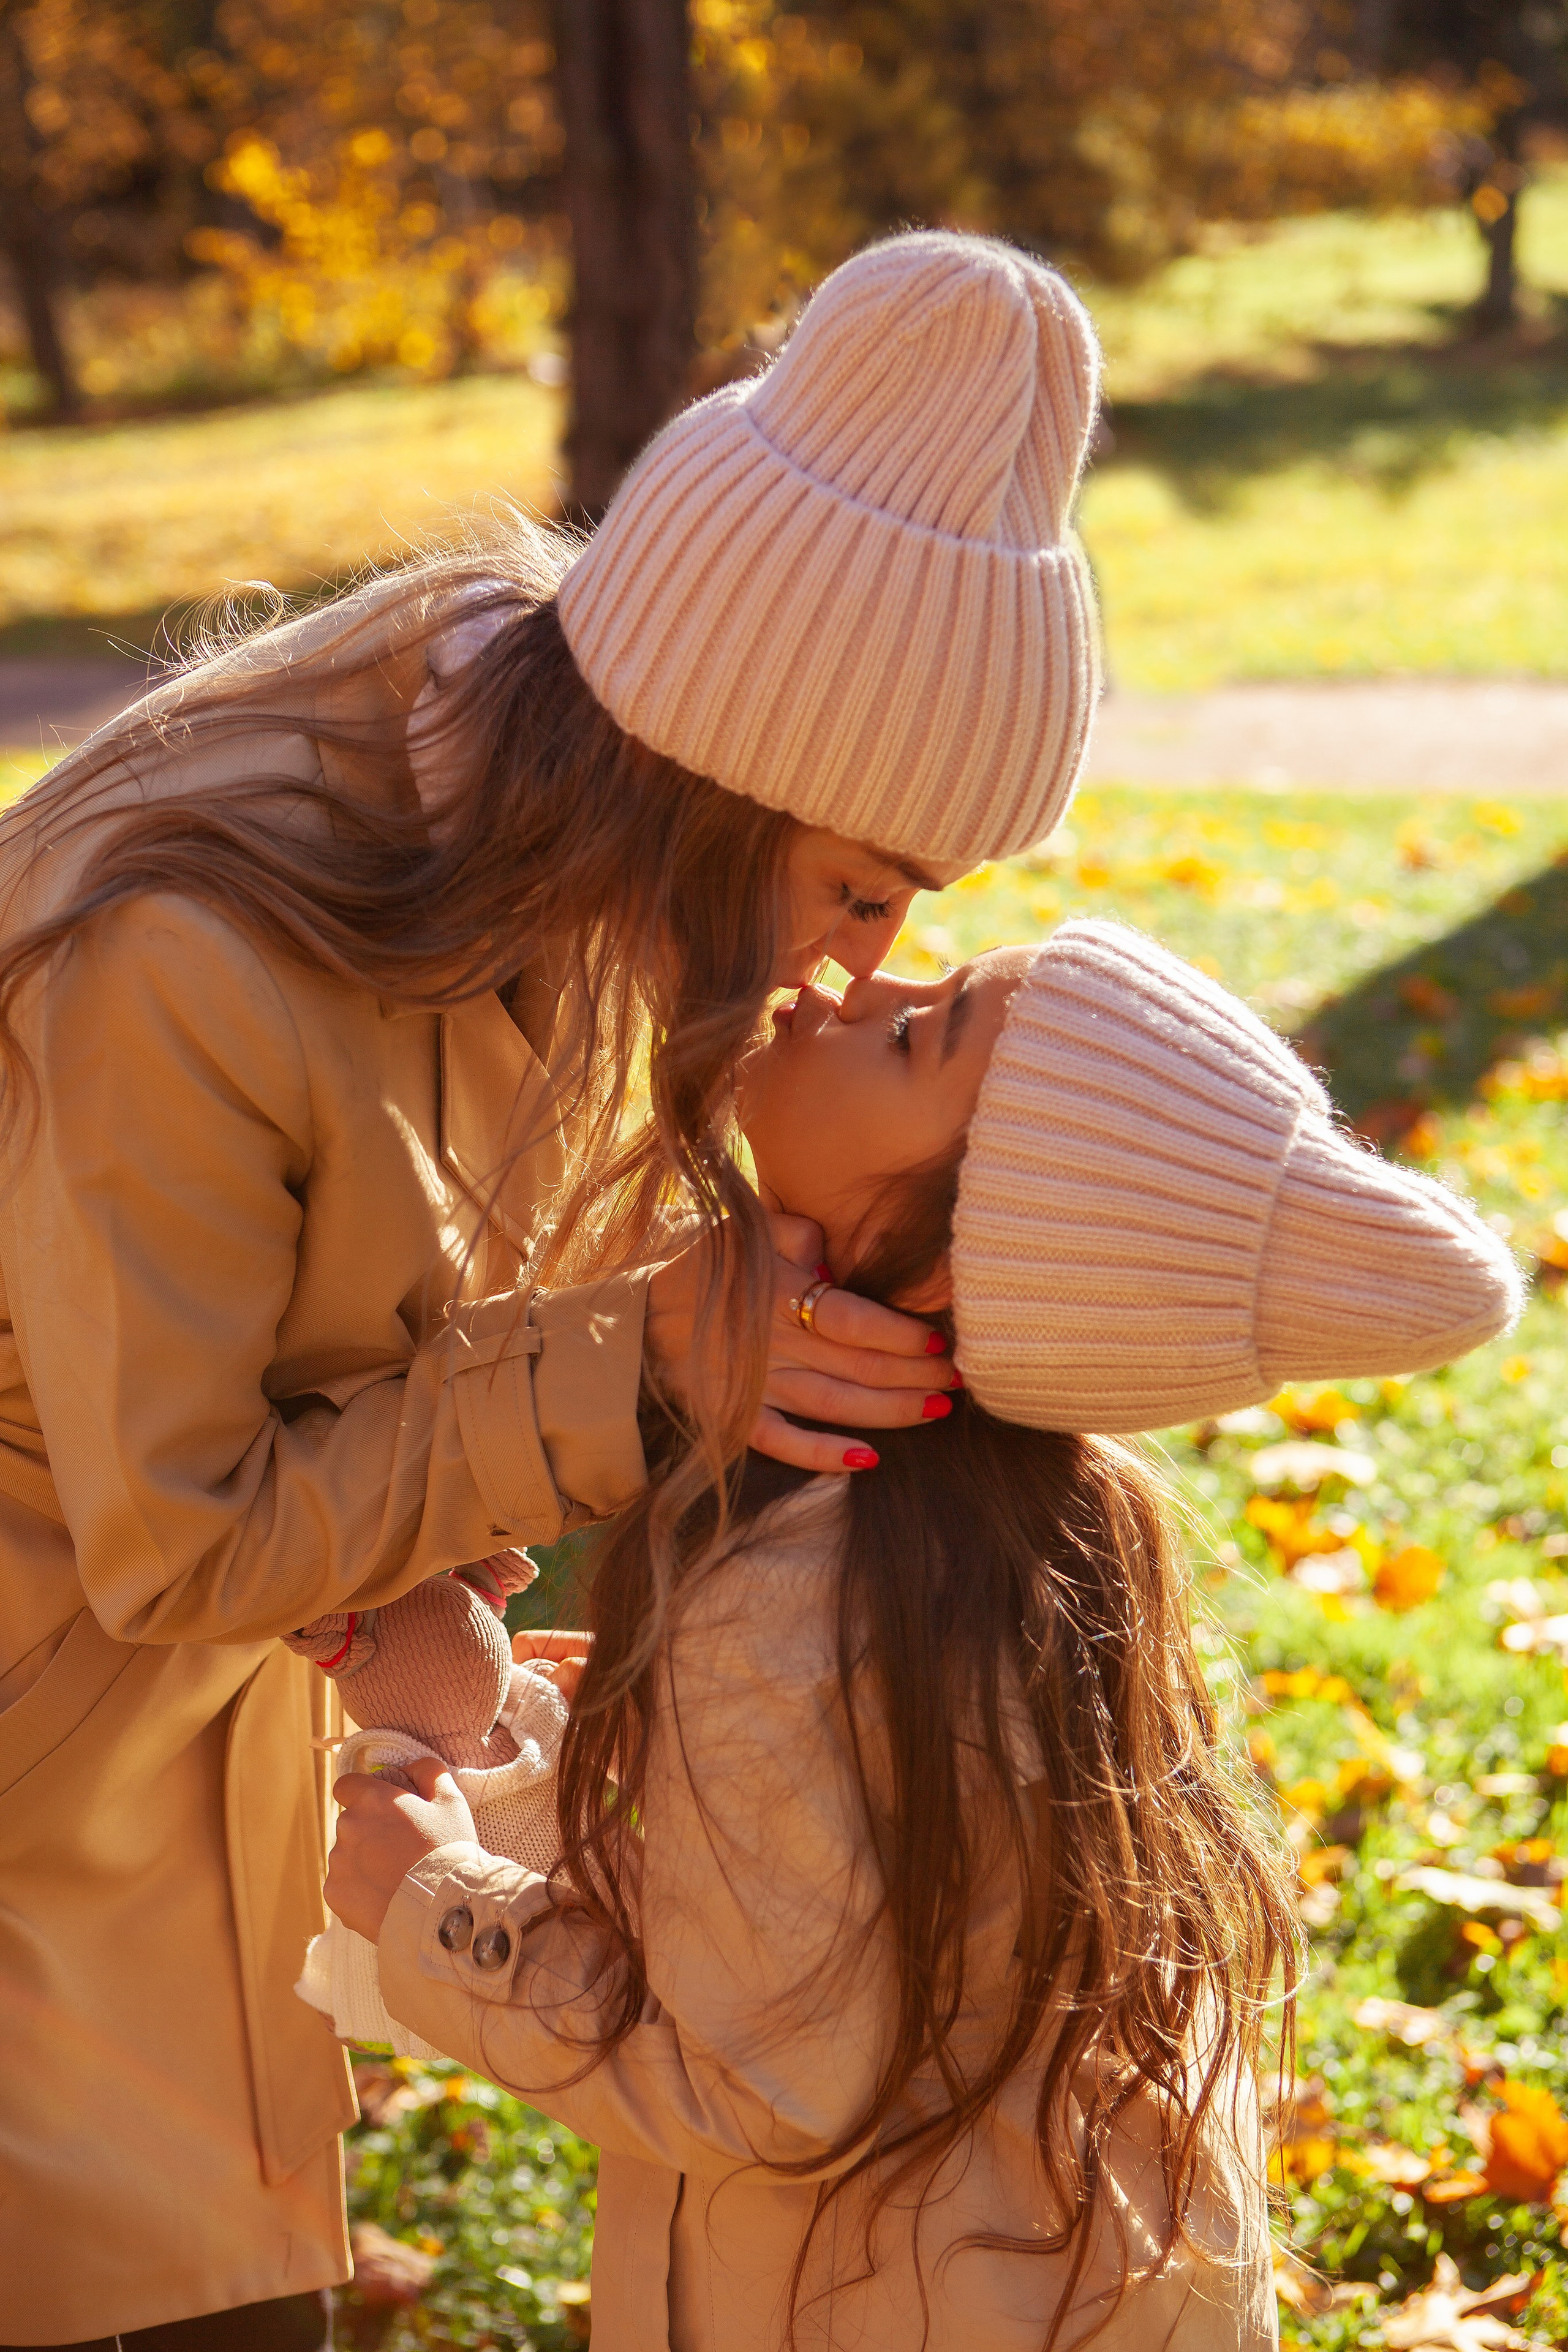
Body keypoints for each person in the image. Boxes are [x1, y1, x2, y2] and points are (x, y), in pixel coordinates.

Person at [0, 230, 1104, 2347]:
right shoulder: (190, 954)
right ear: (720, 773)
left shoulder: (556, 840)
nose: (862, 963)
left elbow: (415, 1327)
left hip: (192, 1775)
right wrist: (645, 1356)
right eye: (864, 886)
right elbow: (180, 1531)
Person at [328, 920, 1520, 2352]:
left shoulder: (794, 1592)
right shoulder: (1042, 1529)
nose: (852, 979)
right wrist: (504, 1745)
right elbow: (799, 1946)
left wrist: (438, 1909)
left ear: (959, 1259)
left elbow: (763, 2087)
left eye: (915, 1034)